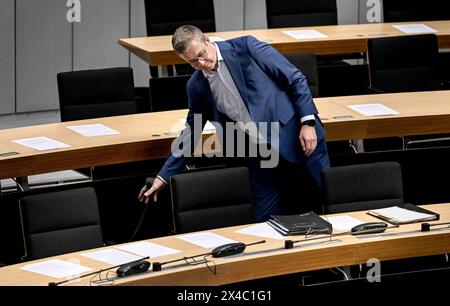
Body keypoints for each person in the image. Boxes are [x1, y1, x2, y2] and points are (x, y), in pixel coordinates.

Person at [139, 25, 330, 221]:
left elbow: (295, 78)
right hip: (260, 156)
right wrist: (163, 176)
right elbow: (192, 132)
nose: (202, 63)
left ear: (207, 40)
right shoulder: (196, 86)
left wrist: (308, 123)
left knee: (326, 208)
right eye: (193, 62)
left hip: (297, 138)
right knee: (262, 223)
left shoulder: (247, 47)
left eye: (202, 54)